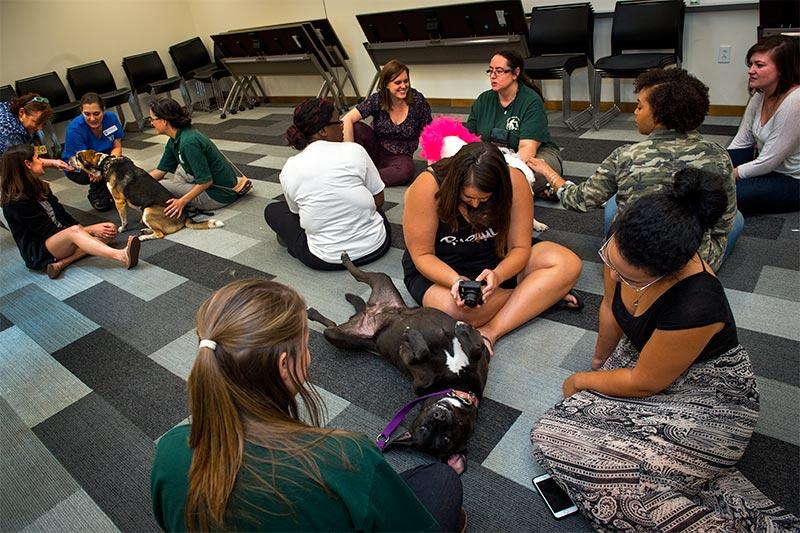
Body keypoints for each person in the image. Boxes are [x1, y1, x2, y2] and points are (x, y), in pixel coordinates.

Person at [531, 168, 800, 531]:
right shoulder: (624, 242)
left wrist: (583, 380)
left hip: (709, 396)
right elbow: (611, 309)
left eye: (628, 277)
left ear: (667, 272)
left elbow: (645, 382)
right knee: (553, 432)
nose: (612, 272)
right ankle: (682, 473)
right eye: (611, 262)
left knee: (576, 448)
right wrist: (600, 364)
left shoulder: (698, 301)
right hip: (644, 359)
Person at [151, 279, 464, 532]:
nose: (309, 355)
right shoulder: (344, 457)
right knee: (441, 481)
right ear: (285, 365)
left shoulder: (170, 448)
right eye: (305, 345)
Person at [528, 68, 741, 271]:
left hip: (632, 262)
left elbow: (578, 201)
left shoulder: (625, 156)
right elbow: (723, 223)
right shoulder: (719, 156)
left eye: (640, 106)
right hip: (690, 265)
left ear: (660, 114)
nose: (636, 113)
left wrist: (549, 172)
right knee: (737, 219)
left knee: (615, 202)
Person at [402, 141, 582, 355]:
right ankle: (541, 297)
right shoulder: (428, 185)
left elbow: (520, 247)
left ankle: (492, 330)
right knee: (460, 314)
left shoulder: (514, 181)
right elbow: (422, 255)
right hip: (440, 268)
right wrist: (456, 281)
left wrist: (498, 274)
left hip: (495, 259)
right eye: (468, 198)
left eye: (484, 199)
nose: (476, 205)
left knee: (568, 264)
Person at [265, 98, 391, 271]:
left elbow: (296, 214)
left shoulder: (289, 168)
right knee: (367, 202)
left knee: (273, 210)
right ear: (323, 130)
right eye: (338, 122)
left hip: (325, 259)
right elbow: (379, 199)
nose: (342, 126)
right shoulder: (355, 150)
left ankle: (294, 244)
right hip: (376, 246)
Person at [1, 144, 140, 279]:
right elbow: (47, 232)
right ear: (28, 164)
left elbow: (63, 215)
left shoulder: (40, 185)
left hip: (61, 237)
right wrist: (89, 230)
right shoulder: (15, 202)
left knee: (107, 231)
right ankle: (121, 256)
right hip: (40, 251)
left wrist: (84, 229)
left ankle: (62, 263)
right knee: (78, 232)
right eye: (37, 158)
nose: (42, 162)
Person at [467, 50, 562, 199]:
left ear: (515, 73)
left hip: (533, 155)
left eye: (499, 71)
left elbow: (527, 150)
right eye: (490, 71)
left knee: (526, 174)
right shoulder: (483, 100)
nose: (493, 76)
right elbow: (468, 139)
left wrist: (498, 170)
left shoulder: (531, 101)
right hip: (493, 156)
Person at [728, 35, 800, 214]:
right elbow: (740, 143)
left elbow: (767, 162)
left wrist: (726, 175)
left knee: (726, 195)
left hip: (791, 179)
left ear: (782, 69)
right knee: (708, 160)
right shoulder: (760, 95)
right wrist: (719, 163)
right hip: (766, 163)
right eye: (751, 64)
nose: (751, 70)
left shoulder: (795, 101)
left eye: (759, 65)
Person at [148, 97, 251, 219]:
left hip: (219, 195)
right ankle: (183, 201)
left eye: (152, 119)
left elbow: (206, 181)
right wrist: (134, 182)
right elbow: (160, 171)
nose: (151, 123)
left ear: (164, 121)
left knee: (162, 184)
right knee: (180, 172)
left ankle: (178, 208)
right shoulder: (176, 138)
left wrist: (182, 201)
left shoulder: (188, 143)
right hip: (217, 186)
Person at [342, 60, 432, 186]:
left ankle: (360, 180)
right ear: (386, 85)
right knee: (356, 127)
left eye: (406, 81)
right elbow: (347, 118)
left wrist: (432, 165)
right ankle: (357, 174)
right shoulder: (378, 99)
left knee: (405, 172)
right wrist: (348, 155)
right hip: (376, 149)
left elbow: (429, 131)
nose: (404, 86)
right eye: (397, 82)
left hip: (401, 157)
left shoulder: (417, 100)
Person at [0, 93, 73, 229]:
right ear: (22, 112)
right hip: (5, 163)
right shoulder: (9, 132)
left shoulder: (11, 111)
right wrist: (52, 163)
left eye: (43, 124)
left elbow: (28, 159)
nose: (39, 128)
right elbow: (20, 164)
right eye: (36, 122)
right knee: (14, 200)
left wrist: (53, 163)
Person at [61, 93, 124, 212]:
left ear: (103, 110)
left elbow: (117, 146)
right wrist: (98, 171)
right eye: (87, 114)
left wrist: (111, 163)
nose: (92, 118)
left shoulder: (111, 118)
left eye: (96, 113)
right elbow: (85, 161)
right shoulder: (75, 129)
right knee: (103, 204)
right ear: (81, 112)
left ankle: (111, 189)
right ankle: (96, 195)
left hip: (103, 158)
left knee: (122, 164)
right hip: (79, 165)